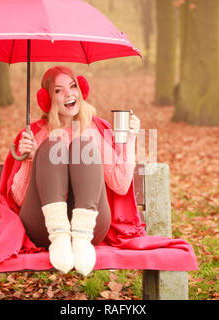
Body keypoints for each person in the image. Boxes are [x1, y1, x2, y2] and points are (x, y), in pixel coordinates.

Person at [10, 66, 140, 276]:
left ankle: (80, 235)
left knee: (83, 145)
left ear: (82, 90)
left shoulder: (95, 130)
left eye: (73, 86)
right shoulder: (35, 134)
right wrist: (29, 160)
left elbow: (121, 184)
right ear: (47, 99)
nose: (69, 93)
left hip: (90, 230)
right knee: (53, 145)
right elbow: (18, 199)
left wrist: (131, 138)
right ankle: (60, 236)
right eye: (58, 90)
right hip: (45, 228)